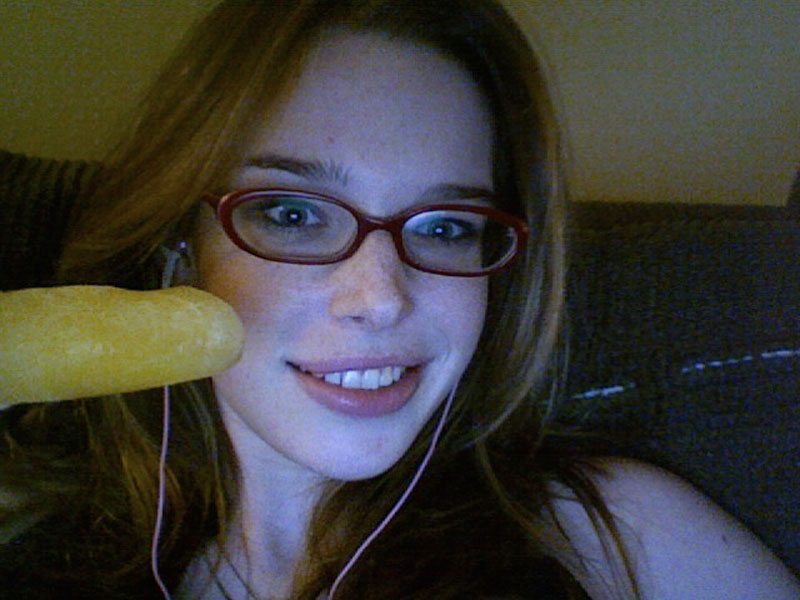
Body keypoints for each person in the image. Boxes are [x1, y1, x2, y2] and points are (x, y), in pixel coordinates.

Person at [1, 1, 798, 598]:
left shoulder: (610, 537)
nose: (380, 300)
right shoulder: (43, 546)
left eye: (447, 226)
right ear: (181, 244)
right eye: (293, 214)